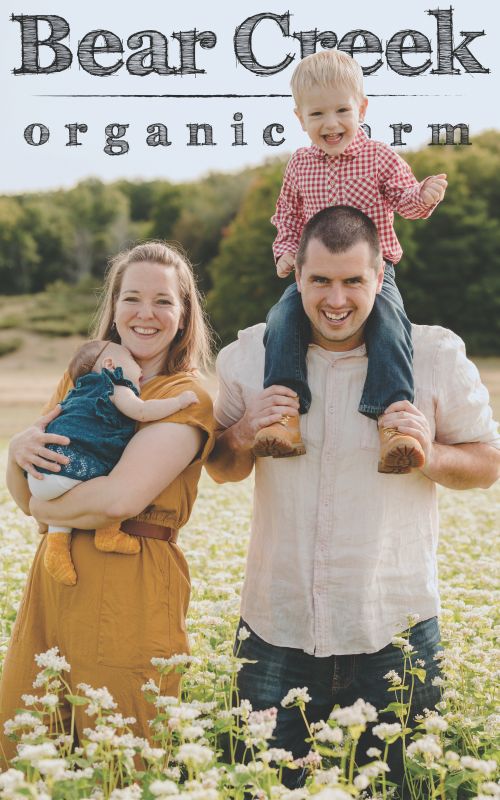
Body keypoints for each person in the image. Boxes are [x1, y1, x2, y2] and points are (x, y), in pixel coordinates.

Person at [207, 207, 500, 789]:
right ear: (297, 277)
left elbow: (488, 464)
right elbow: (223, 469)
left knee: (402, 786)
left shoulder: (435, 355)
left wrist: (431, 451)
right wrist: (241, 435)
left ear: (379, 278)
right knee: (262, 786)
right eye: (320, 280)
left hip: (395, 626)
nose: (335, 299)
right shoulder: (248, 357)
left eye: (352, 281)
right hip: (275, 626)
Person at [0, 241, 215, 766]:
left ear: (184, 316)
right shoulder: (84, 378)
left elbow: (119, 498)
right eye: (132, 298)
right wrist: (15, 451)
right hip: (53, 583)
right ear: (114, 309)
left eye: (164, 301)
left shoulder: (188, 395)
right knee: (25, 752)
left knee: (119, 759)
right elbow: (28, 488)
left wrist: (44, 505)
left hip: (131, 582)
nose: (146, 314)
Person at [254, 49, 448, 475]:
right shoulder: (299, 164)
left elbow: (405, 199)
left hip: (371, 278)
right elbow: (286, 214)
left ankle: (393, 419)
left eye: (342, 110)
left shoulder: (379, 157)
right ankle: (285, 414)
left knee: (390, 322)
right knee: (281, 319)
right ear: (299, 117)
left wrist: (424, 196)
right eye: (317, 113)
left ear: (361, 108)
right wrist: (285, 249)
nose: (331, 123)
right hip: (315, 277)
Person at [28, 338, 198, 586]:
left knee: (67, 496)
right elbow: (141, 411)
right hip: (72, 467)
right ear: (110, 364)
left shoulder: (75, 393)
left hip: (42, 476)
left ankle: (56, 549)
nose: (138, 369)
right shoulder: (115, 385)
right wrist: (179, 402)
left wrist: (37, 506)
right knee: (109, 473)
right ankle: (108, 533)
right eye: (131, 362)